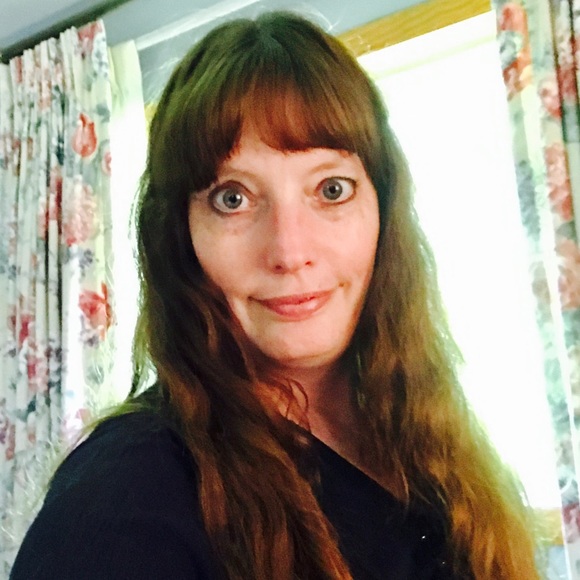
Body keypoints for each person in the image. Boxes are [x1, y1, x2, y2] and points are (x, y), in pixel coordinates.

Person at [10, 11, 541, 580]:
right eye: (233, 199)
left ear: (383, 211)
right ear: (179, 236)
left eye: (331, 190)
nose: (289, 251)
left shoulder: (425, 432)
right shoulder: (126, 493)